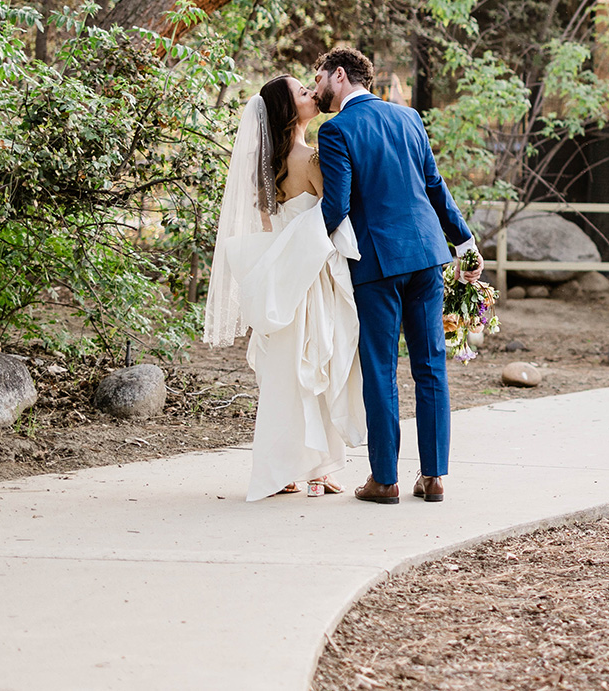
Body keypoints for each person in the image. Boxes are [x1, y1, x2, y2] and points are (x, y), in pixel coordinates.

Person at [314, 48, 482, 505]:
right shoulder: (409, 118)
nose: (316, 88)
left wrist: (301, 245)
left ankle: (384, 480)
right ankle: (434, 477)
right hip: (428, 255)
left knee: (381, 370)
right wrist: (464, 242)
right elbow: (434, 184)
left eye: (320, 77)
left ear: (341, 76)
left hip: (377, 263)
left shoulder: (336, 131)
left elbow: (337, 206)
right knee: (430, 366)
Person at [203, 76, 366, 501]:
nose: (313, 95)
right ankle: (320, 470)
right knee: (319, 367)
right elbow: (337, 216)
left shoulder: (264, 169)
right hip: (313, 276)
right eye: (303, 93)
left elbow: (267, 228)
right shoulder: (311, 159)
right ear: (288, 111)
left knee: (284, 375)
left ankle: (283, 469)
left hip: (279, 277)